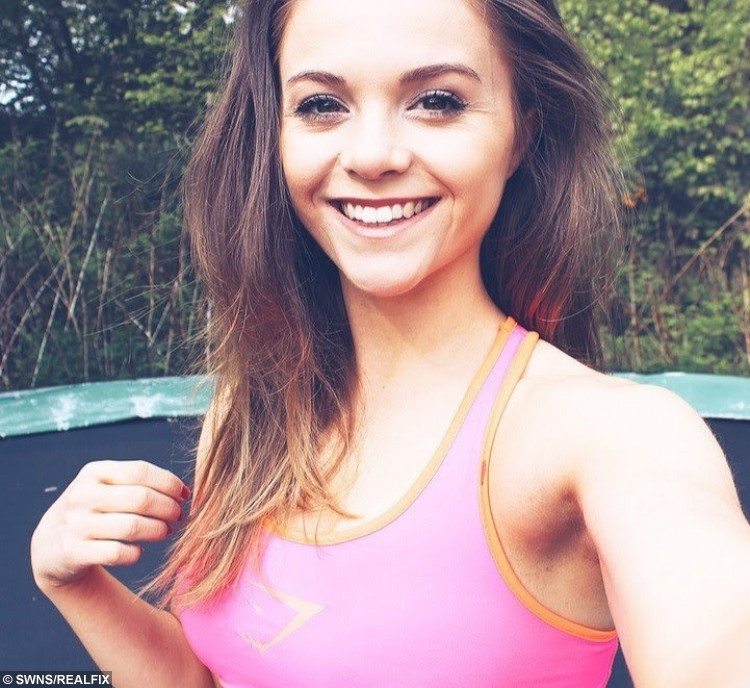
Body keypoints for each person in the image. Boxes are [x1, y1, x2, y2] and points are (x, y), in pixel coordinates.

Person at [30, 0, 750, 686]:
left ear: (522, 134)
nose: (372, 154)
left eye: (437, 100)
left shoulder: (607, 438)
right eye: (322, 105)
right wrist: (74, 586)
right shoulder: (247, 418)